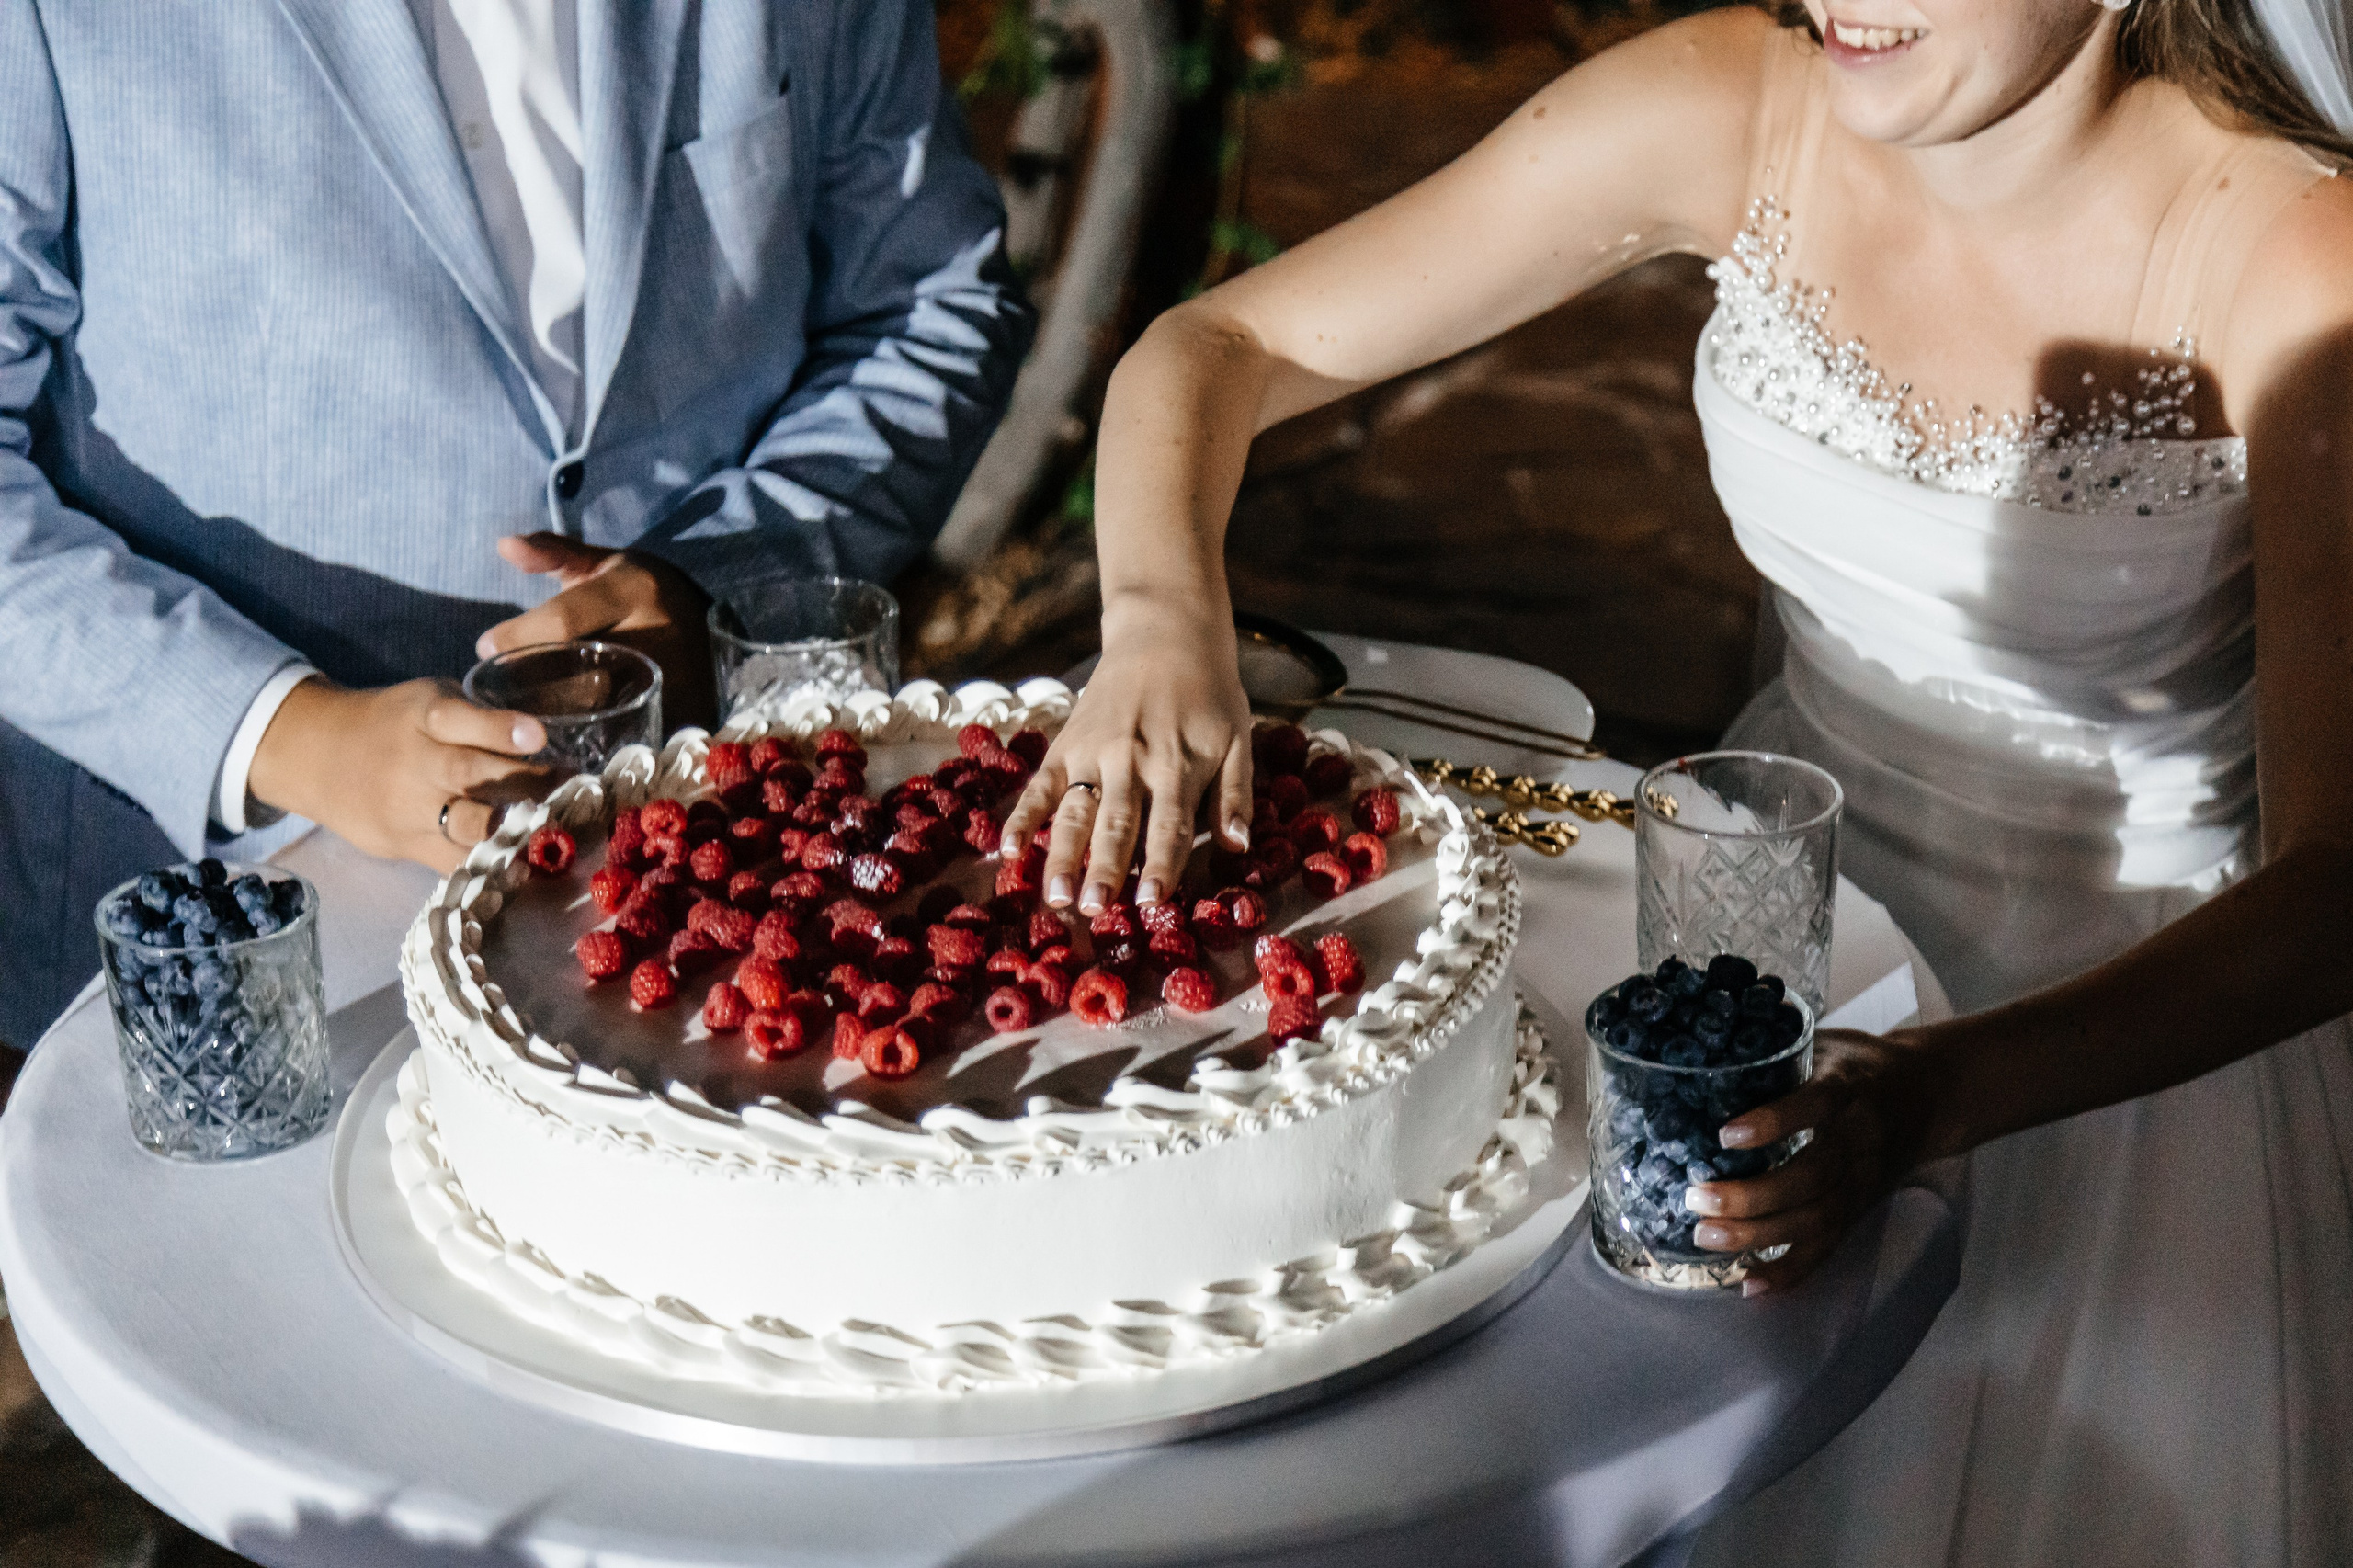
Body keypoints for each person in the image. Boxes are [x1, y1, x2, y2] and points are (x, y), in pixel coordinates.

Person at [1000, 0, 2353, 1558]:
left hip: (2122, 1066)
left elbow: (2338, 882)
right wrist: (1167, 626)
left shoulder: (2295, 259)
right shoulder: (1736, 105)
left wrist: (1936, 1094)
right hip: (1759, 971)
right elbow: (1222, 344)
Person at [0, 0, 1031, 1047]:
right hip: (214, 940)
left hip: (701, 936)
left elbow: (929, 307)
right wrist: (281, 731)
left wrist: (717, 577)